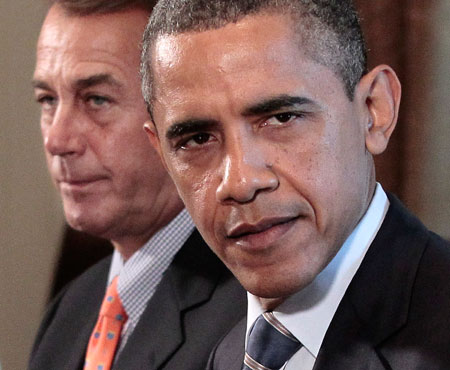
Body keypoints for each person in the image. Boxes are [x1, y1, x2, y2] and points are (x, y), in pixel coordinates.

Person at [140, 0, 450, 369]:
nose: (240, 182)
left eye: (282, 118)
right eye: (196, 140)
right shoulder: (213, 348)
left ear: (373, 110)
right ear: (161, 155)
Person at [29, 1, 246, 369]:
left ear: (182, 117)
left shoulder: (254, 313)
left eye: (96, 99)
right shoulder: (69, 311)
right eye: (48, 100)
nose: (57, 140)